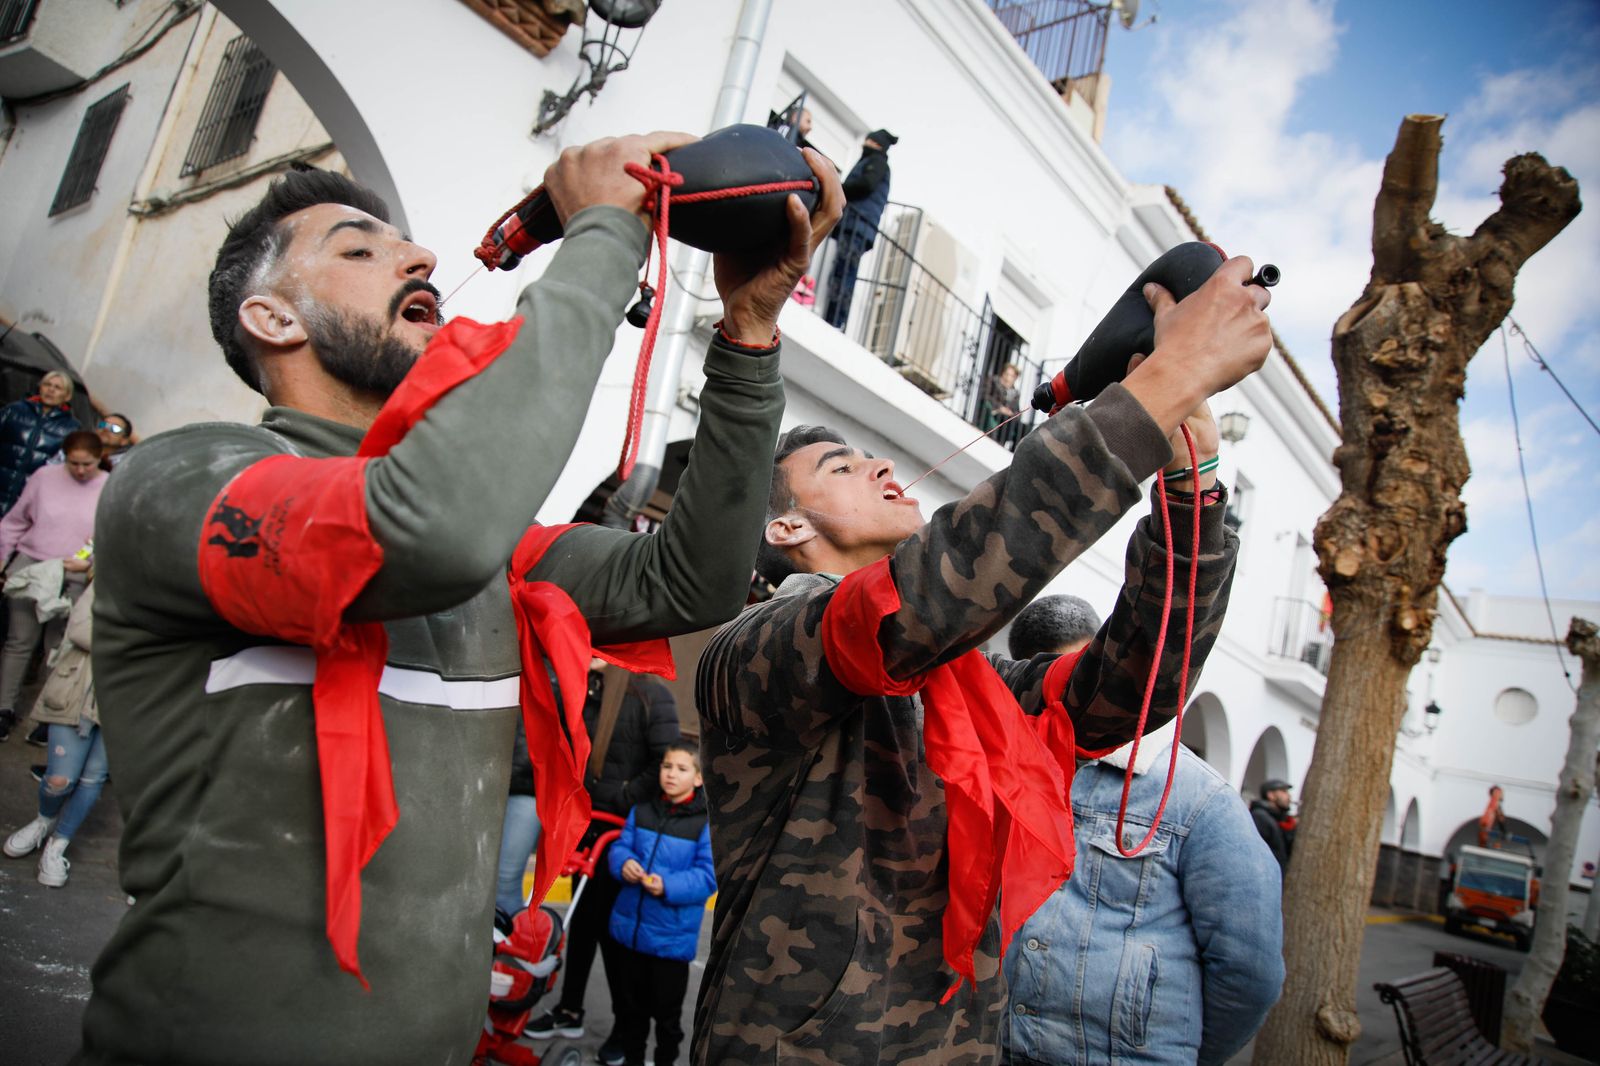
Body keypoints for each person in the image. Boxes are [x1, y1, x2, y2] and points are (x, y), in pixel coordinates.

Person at [82, 136, 843, 1066]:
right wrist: (603, 233)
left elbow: (694, 580)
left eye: (405, 243)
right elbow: (420, 528)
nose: (421, 258)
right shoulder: (186, 483)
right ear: (272, 318)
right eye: (359, 250)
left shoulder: (499, 558)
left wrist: (749, 332)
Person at [694, 257, 1272, 1063]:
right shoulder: (754, 649)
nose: (879, 465)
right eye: (840, 467)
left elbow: (1129, 688)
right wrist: (1161, 384)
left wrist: (1192, 485)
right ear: (788, 530)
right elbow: (920, 598)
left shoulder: (969, 682)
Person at [1002, 596, 1284, 1066]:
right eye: (1050, 686)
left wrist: (1179, 1051)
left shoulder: (1199, 799)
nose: (1074, 703)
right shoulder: (1004, 768)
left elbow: (1249, 971)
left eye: (1083, 680)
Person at [524, 662, 678, 1064]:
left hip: (623, 835)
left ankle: (625, 1029)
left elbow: (664, 759)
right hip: (587, 827)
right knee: (584, 927)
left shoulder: (649, 693)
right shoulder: (584, 689)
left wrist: (624, 796)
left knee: (616, 940)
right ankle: (569, 1010)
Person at [606, 740, 715, 1066]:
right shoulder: (641, 811)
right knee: (631, 1015)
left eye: (682, 769)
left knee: (667, 1021)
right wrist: (623, 863)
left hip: (670, 943)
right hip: (629, 935)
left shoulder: (704, 824)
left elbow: (707, 877)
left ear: (698, 778)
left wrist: (667, 884)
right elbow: (620, 848)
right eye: (667, 766)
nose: (671, 774)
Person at [0, 430, 105, 743]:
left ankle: (50, 715)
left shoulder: (108, 486)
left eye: (87, 464)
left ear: (99, 459)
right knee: (19, 641)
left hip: (73, 573)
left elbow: (108, 534)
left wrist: (90, 563)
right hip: (34, 566)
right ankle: (3, 708)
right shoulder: (45, 477)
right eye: (74, 463)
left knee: (58, 647)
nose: (81, 470)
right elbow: (15, 520)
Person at [3, 579, 105, 888]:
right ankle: (43, 821)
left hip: (128, 701)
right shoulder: (112, 578)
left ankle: (58, 844)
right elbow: (79, 629)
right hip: (76, 687)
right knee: (60, 779)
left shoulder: (174, 595)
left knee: (92, 779)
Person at [822, 128, 897, 329]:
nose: (865, 144)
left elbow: (865, 184)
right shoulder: (875, 163)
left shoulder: (877, 163)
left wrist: (839, 188)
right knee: (844, 269)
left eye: (869, 141)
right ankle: (835, 317)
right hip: (858, 226)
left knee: (844, 270)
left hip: (858, 226)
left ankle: (835, 319)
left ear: (876, 144)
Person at [0, 370, 80, 515]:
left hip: (29, 500)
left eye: (57, 387)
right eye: (47, 385)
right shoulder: (14, 410)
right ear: (40, 388)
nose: (51, 390)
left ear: (67, 396)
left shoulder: (72, 428)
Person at [1251, 778, 1296, 871]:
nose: (1288, 796)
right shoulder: (1260, 817)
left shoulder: (1276, 818)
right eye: (1283, 791)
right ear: (1271, 795)